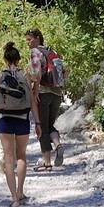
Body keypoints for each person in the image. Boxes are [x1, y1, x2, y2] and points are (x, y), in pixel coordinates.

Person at [0, 42, 36, 207]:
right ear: (18, 59)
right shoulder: (25, 75)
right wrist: (37, 122)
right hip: (22, 118)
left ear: (5, 59)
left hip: (5, 120)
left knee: (8, 160)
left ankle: (14, 199)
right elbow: (32, 101)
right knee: (21, 155)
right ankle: (20, 191)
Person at [25, 25, 65, 170]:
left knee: (41, 126)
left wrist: (35, 92)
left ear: (37, 39)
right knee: (49, 125)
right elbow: (64, 71)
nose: (27, 43)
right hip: (57, 93)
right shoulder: (51, 51)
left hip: (43, 93)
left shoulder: (35, 52)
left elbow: (36, 74)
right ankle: (58, 144)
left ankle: (47, 162)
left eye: (29, 40)